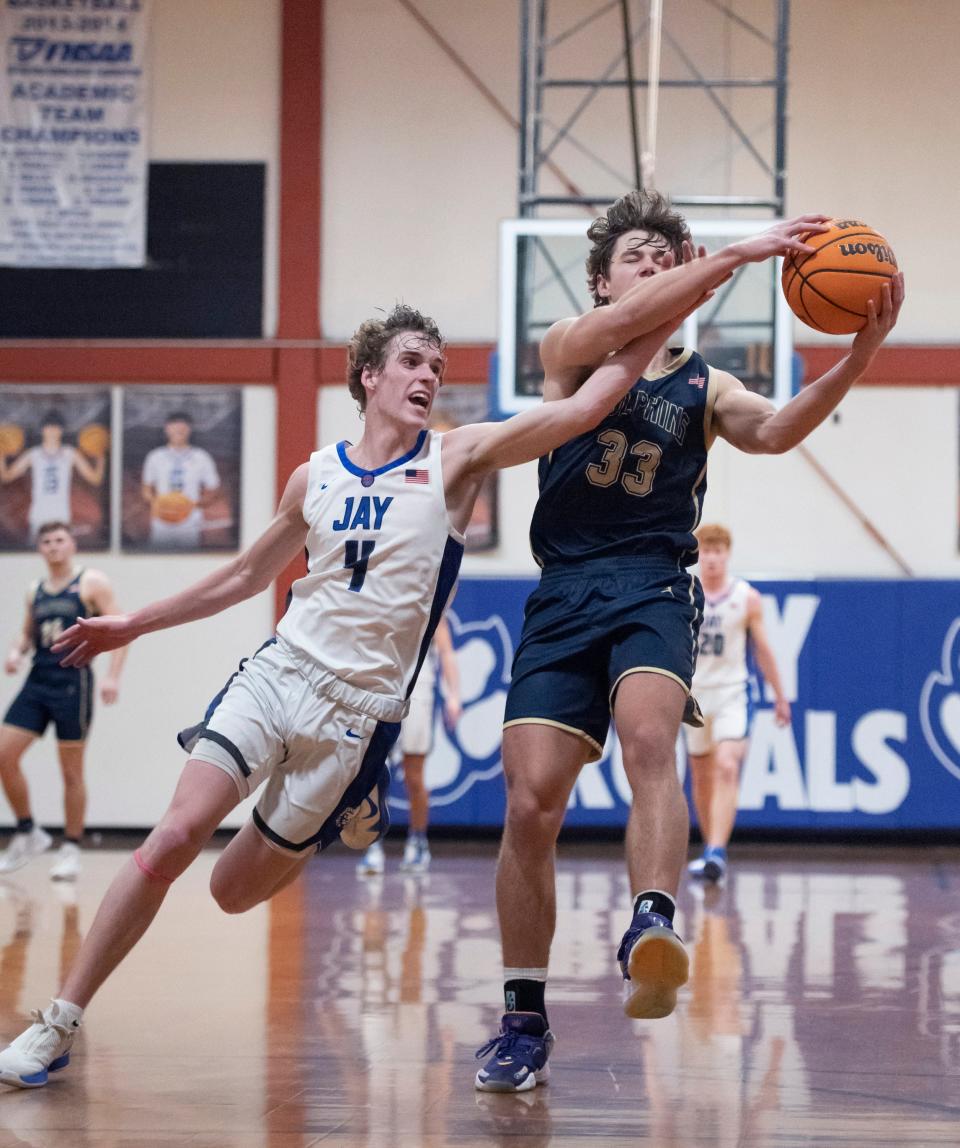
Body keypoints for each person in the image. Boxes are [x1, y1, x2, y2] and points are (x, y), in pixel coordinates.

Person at [0, 290, 716, 1089]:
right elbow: (244, 575)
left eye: (438, 368)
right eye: (412, 362)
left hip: (357, 715)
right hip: (281, 674)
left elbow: (588, 404)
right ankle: (58, 1021)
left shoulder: (456, 459)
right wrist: (132, 624)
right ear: (369, 375)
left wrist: (688, 295)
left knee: (231, 892)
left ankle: (348, 811)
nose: (429, 377)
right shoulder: (315, 475)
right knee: (172, 837)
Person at [476, 191, 903, 1093]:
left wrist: (860, 352)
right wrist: (745, 251)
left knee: (649, 739)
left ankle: (652, 920)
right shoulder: (566, 344)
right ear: (601, 278)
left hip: (652, 584)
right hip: (561, 591)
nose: (652, 269)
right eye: (636, 256)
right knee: (529, 802)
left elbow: (779, 430)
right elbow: (629, 323)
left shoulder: (709, 384)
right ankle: (522, 1017)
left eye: (666, 258)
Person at [0, 522, 126, 881]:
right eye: (47, 542)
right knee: (4, 756)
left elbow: (121, 629)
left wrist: (113, 675)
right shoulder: (34, 590)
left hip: (73, 683)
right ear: (40, 549)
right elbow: (27, 635)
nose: (53, 546)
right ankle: (27, 832)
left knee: (70, 770)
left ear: (72, 545)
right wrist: (14, 652)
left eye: (59, 540)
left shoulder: (91, 583)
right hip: (37, 681)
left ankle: (71, 847)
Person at [685, 523, 791, 883]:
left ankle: (716, 851)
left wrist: (779, 696)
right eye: (707, 550)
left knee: (727, 765)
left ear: (727, 554)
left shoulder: (746, 597)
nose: (712, 557)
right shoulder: (685, 593)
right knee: (700, 774)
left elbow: (763, 650)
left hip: (732, 692)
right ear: (698, 554)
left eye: (719, 550)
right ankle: (707, 846)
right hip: (695, 695)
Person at [357, 616, 461, 875]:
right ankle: (373, 845)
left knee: (414, 777)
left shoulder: (431, 603)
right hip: (384, 690)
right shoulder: (387, 600)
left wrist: (454, 697)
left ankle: (417, 841)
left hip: (419, 693)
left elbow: (447, 653)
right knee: (373, 775)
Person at [0, 412, 105, 541]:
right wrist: (2, 453)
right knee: (37, 555)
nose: (52, 431)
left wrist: (101, 457)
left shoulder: (70, 453)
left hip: (61, 515)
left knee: (60, 554)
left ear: (61, 430)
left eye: (56, 427)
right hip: (38, 515)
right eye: (48, 427)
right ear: (42, 430)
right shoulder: (34, 454)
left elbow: (95, 479)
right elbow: (7, 476)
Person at [141, 410, 221, 549]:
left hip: (189, 523)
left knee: (189, 565)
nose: (179, 430)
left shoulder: (201, 457)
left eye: (183, 427)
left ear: (189, 429)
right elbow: (146, 488)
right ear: (167, 429)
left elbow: (213, 488)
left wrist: (193, 505)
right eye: (174, 426)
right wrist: (158, 504)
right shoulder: (155, 456)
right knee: (158, 563)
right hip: (162, 522)